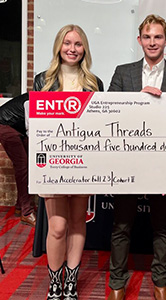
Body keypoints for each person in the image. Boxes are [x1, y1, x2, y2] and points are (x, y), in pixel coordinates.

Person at [107, 14, 166, 300]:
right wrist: (138, 100)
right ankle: (117, 284)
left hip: (163, 164)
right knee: (121, 226)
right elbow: (110, 117)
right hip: (127, 162)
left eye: (158, 37)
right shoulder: (123, 73)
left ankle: (160, 282)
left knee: (162, 226)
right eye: (147, 36)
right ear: (139, 40)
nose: (152, 42)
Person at [33, 24, 104, 300]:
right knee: (58, 226)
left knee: (77, 221)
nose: (72, 49)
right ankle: (54, 282)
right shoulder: (43, 80)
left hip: (83, 163)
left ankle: (71, 282)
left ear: (84, 48)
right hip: (53, 164)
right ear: (58, 47)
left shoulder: (94, 83)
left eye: (78, 44)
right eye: (67, 43)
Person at [0, 92, 36, 226]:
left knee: (27, 166)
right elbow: (30, 128)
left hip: (16, 127)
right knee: (23, 166)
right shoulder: (31, 101)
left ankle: (20, 206)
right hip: (5, 125)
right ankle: (26, 213)